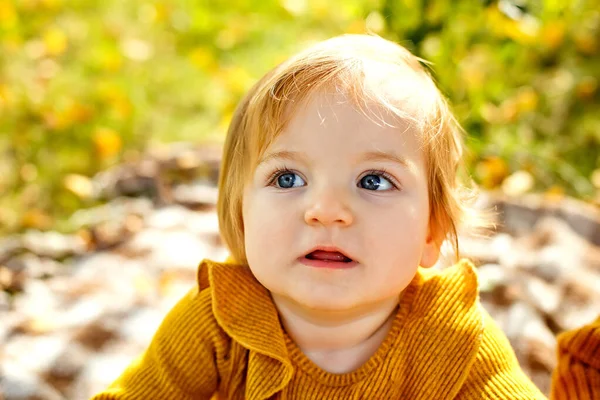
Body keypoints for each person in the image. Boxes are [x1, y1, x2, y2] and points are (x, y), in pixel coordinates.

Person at [91, 34, 599, 399]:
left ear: (432, 229)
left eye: (374, 181)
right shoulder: (220, 323)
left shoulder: (453, 339)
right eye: (287, 178)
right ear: (240, 215)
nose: (326, 211)